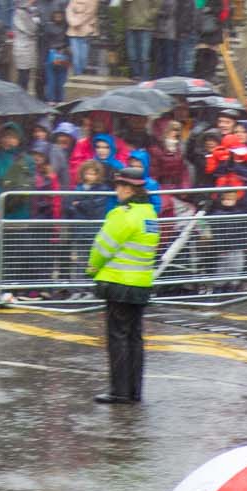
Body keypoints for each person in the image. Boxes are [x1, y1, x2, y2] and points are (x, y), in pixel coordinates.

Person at [89, 163, 159, 404]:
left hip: (119, 283)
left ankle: (119, 391)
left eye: (119, 185)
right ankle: (134, 390)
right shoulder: (150, 215)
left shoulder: (122, 215)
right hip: (141, 283)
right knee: (134, 338)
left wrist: (92, 267)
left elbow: (103, 247)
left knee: (117, 338)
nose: (117, 190)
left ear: (128, 189)